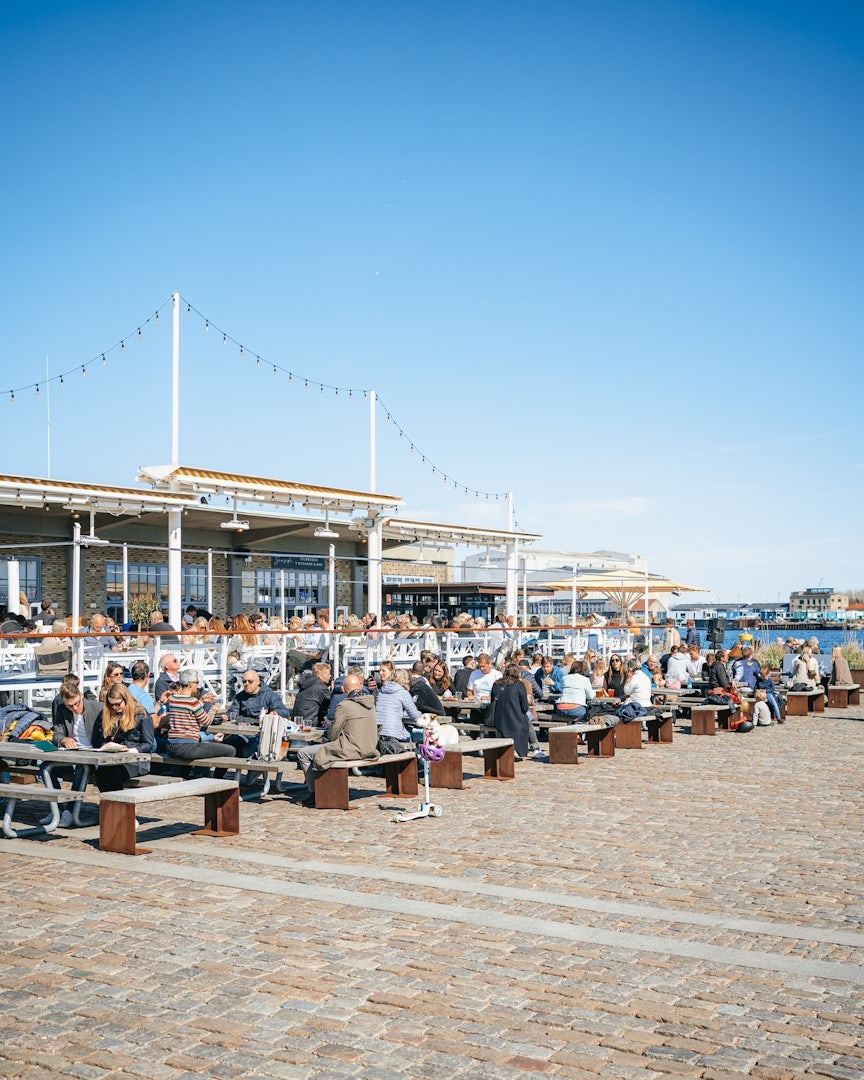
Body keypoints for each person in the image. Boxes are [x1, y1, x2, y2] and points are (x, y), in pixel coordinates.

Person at [293, 673, 380, 802]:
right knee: (322, 751)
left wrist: (331, 728)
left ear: (344, 690)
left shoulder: (344, 705)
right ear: (361, 687)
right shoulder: (370, 703)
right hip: (370, 748)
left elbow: (333, 735)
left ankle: (315, 793)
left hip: (351, 749)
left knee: (303, 753)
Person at [49, 681, 105, 827]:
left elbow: (105, 736)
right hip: (71, 754)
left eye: (76, 703)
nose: (74, 708)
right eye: (70, 705)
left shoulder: (98, 708)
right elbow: (56, 734)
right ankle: (59, 809)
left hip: (93, 755)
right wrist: (63, 739)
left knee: (83, 767)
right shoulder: (62, 709)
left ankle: (70, 810)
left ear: (81, 695)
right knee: (46, 768)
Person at [164, 669, 235, 763]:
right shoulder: (192, 702)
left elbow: (187, 709)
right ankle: (217, 777)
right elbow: (207, 721)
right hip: (187, 747)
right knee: (230, 751)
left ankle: (189, 776)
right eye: (197, 682)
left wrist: (201, 702)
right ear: (190, 684)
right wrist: (212, 709)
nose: (198, 685)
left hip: (171, 746)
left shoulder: (173, 700)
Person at [93, 684, 154, 791]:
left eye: (117, 704)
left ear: (126, 699)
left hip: (136, 761)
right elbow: (100, 739)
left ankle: (117, 804)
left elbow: (148, 744)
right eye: (111, 705)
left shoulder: (142, 715)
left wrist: (131, 750)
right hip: (114, 759)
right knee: (103, 771)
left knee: (109, 772)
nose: (115, 708)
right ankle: (112, 804)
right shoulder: (109, 714)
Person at [375, 662, 422, 753]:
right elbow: (414, 715)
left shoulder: (382, 691)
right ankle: (419, 763)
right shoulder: (403, 692)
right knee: (413, 738)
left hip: (378, 733)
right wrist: (421, 714)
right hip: (393, 734)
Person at [489, 663, 531, 759]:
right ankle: (522, 750)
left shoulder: (496, 684)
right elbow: (525, 707)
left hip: (499, 719)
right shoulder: (519, 685)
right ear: (518, 673)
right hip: (515, 720)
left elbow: (492, 701)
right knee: (525, 722)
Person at [291, 662, 332, 727]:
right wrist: (333, 692)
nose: (330, 676)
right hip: (311, 723)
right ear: (320, 675)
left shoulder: (306, 684)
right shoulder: (321, 688)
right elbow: (329, 706)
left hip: (297, 722)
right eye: (328, 674)